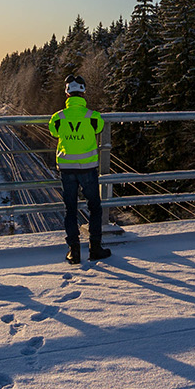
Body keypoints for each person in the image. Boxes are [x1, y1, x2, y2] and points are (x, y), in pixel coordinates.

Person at [48, 75, 111, 264]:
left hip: (67, 167)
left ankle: (73, 251)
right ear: (83, 92)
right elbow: (98, 129)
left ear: (66, 93)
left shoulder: (57, 117)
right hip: (88, 168)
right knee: (95, 208)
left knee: (71, 209)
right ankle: (95, 248)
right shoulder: (93, 117)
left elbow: (54, 132)